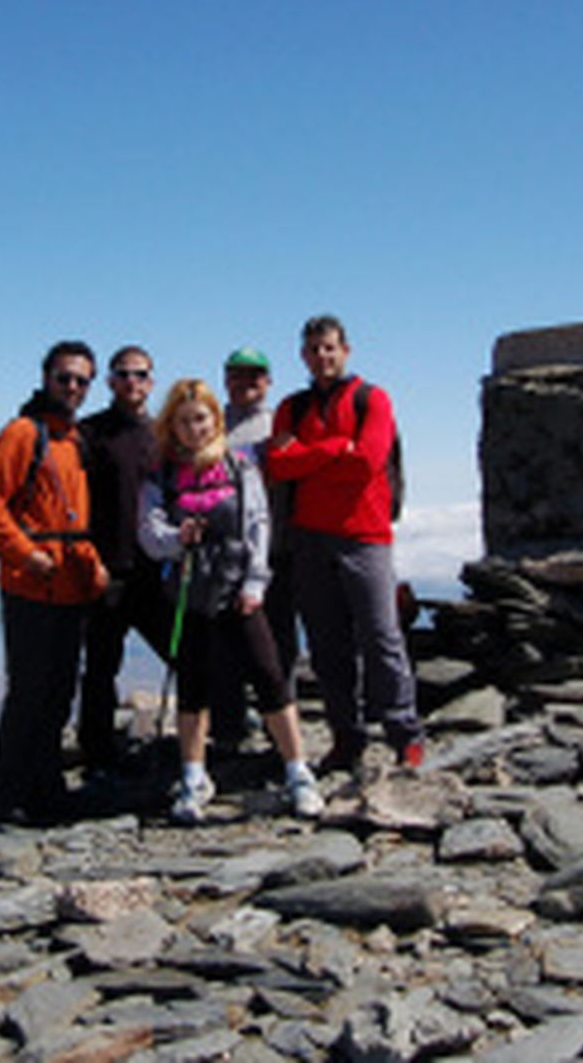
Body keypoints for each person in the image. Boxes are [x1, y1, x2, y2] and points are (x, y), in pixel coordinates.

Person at [138, 379, 323, 824]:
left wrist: (255, 585)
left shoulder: (239, 467)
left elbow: (258, 526)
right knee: (194, 685)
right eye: (183, 421)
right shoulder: (161, 472)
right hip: (190, 590)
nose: (193, 428)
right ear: (172, 425)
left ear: (214, 421)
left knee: (269, 675)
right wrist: (173, 539)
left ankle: (298, 771)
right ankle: (193, 775)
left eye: (200, 418)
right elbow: (148, 530)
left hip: (239, 588)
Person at [267, 315, 424, 773]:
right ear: (303, 355)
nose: (322, 357)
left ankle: (405, 734)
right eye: (314, 349)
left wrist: (307, 456)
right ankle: (346, 739)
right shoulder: (291, 407)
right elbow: (277, 464)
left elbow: (369, 462)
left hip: (365, 536)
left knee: (381, 636)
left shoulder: (371, 398)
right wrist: (338, 449)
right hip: (309, 537)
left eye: (329, 348)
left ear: (346, 350)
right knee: (328, 643)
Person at [0, 340, 109, 825]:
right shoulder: (23, 434)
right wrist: (25, 553)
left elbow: (74, 521)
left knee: (58, 692)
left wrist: (93, 568)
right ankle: (8, 795)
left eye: (81, 380)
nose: (72, 387)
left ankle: (46, 790)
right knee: (29, 691)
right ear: (46, 378)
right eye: (64, 378)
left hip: (70, 587)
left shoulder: (72, 441)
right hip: (29, 587)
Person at [78, 344, 171, 774]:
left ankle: (198, 740)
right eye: (123, 374)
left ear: (151, 382)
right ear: (111, 381)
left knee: (184, 653)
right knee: (100, 666)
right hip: (105, 569)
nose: (132, 382)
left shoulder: (164, 435)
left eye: (140, 374)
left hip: (154, 570)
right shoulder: (90, 433)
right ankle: (95, 752)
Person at [211, 346, 299, 748]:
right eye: (238, 375)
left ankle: (278, 727)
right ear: (226, 379)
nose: (246, 383)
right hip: (223, 554)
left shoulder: (278, 425)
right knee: (224, 645)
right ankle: (228, 727)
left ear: (268, 381)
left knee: (278, 643)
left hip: (276, 548)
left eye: (255, 376)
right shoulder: (211, 425)